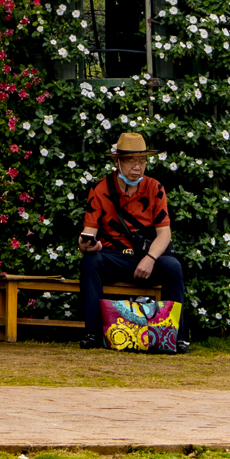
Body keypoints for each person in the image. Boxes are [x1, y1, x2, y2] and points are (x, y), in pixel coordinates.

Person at [77, 130, 185, 350]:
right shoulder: (100, 189)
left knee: (173, 266)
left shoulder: (155, 188)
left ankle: (177, 337)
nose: (137, 167)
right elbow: (88, 231)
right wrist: (88, 245)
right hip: (112, 257)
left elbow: (164, 233)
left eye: (142, 161)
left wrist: (151, 258)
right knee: (90, 262)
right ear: (117, 162)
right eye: (131, 161)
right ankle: (94, 334)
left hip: (144, 256)